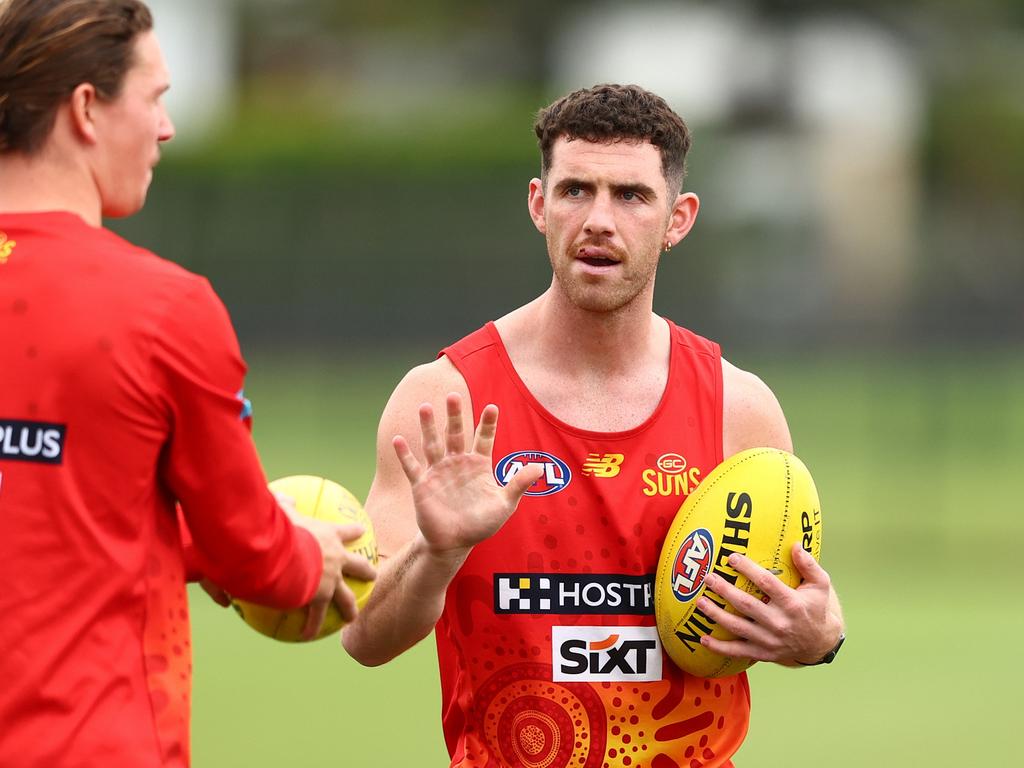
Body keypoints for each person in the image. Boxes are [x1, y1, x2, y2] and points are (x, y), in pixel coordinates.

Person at [342, 83, 844, 767]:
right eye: (576, 190)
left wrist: (818, 639)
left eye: (632, 196)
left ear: (678, 218)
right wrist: (439, 549)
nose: (599, 220)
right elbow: (366, 639)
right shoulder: (446, 401)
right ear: (538, 205)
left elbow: (797, 610)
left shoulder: (738, 408)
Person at [0, 2, 375, 766]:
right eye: (156, 98)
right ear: (85, 109)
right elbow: (253, 557)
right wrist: (311, 556)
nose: (167, 129)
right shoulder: (163, 309)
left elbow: (60, 504)